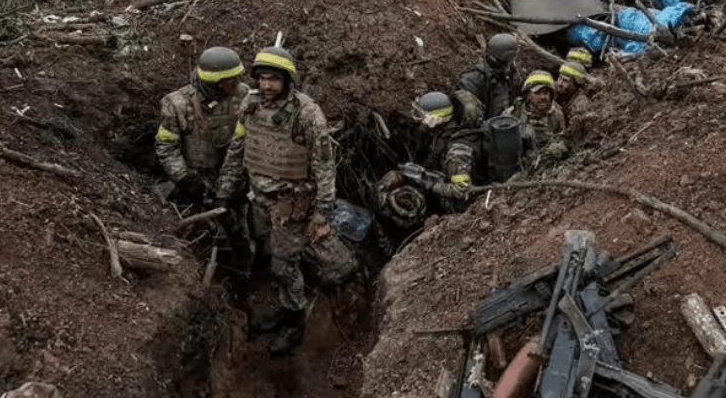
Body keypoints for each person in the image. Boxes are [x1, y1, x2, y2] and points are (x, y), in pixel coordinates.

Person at [215, 45, 356, 357]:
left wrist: (322, 212)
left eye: (273, 80)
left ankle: (294, 321)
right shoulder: (250, 105)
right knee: (268, 254)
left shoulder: (307, 113)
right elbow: (238, 147)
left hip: (291, 204)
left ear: (288, 81)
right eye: (262, 78)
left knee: (283, 265)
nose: (266, 85)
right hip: (259, 199)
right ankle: (283, 306)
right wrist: (225, 187)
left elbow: (323, 166)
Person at [155, 46, 249, 208]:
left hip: (234, 177)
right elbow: (166, 146)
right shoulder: (177, 104)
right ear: (215, 84)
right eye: (232, 79)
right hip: (196, 180)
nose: (238, 82)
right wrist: (185, 179)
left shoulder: (243, 95)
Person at [376, 91, 484, 231]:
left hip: (464, 203)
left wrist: (430, 184)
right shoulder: (449, 132)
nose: (422, 126)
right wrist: (421, 173)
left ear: (436, 121)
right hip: (449, 178)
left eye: (423, 122)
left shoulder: (457, 153)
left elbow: (461, 191)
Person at [457, 32, 519, 120]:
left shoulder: (508, 73)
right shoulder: (475, 79)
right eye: (507, 60)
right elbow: (464, 108)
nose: (508, 64)